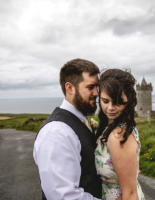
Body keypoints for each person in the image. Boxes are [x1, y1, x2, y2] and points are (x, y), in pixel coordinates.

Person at [33, 58, 102, 200]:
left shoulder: (81, 121)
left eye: (97, 87)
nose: (97, 93)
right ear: (69, 88)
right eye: (90, 87)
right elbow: (62, 196)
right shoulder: (56, 133)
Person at [95, 69, 145, 200]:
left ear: (129, 100)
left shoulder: (119, 135)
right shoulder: (114, 127)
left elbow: (130, 195)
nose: (111, 108)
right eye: (105, 101)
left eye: (118, 102)